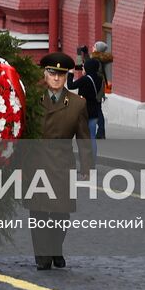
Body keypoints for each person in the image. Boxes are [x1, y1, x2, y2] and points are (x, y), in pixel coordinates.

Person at [27, 52, 94, 271]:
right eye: (52, 73)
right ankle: (43, 255)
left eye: (61, 74)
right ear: (44, 74)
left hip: (61, 163)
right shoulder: (31, 99)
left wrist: (87, 166)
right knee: (37, 211)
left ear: (66, 77)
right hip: (35, 162)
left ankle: (56, 248)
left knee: (60, 213)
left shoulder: (76, 104)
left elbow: (84, 138)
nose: (56, 78)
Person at [68, 51, 104, 156]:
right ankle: (92, 163)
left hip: (84, 113)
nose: (82, 69)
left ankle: (86, 162)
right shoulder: (99, 79)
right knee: (92, 137)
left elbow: (71, 86)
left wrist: (71, 73)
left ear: (88, 68)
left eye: (84, 67)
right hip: (94, 111)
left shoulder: (85, 80)